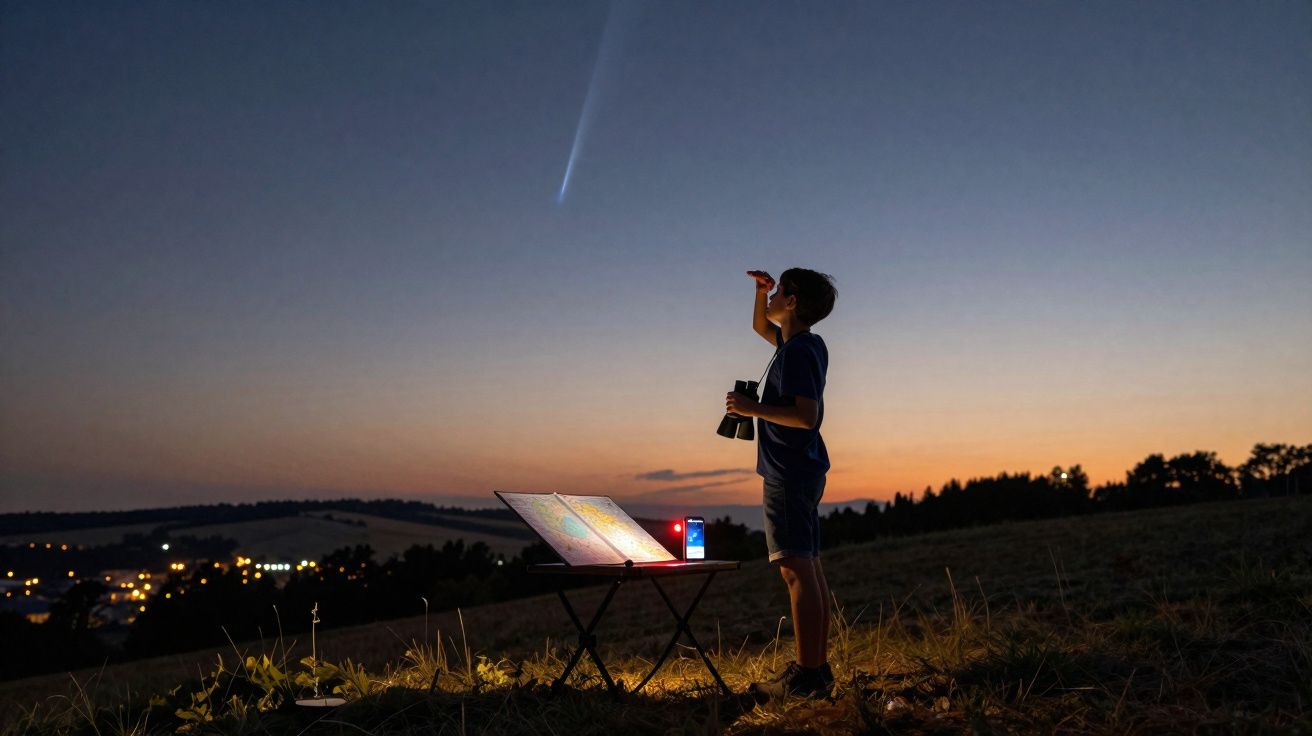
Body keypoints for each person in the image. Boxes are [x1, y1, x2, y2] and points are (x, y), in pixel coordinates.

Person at [726, 267, 838, 702]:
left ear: (791, 302)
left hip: (788, 471)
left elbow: (806, 416)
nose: (772, 301)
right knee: (808, 566)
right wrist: (760, 292)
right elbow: (761, 326)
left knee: (795, 569)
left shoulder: (796, 353)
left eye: (778, 294)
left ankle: (807, 676)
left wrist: (752, 408)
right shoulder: (803, 345)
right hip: (802, 468)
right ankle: (816, 670)